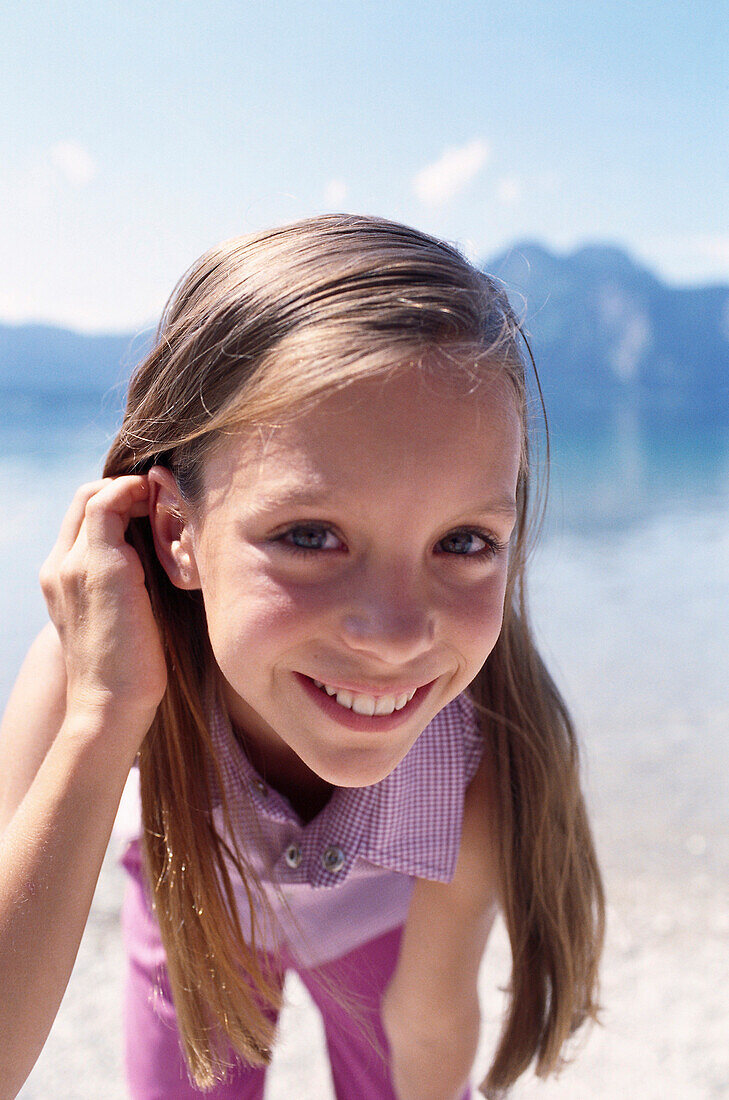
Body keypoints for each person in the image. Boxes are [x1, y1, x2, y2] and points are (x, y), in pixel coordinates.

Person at [0, 213, 604, 1100]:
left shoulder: (482, 756)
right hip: (192, 905)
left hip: (380, 936)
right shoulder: (95, 668)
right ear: (178, 531)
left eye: (464, 542)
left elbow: (430, 1025)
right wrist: (102, 718)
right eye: (310, 535)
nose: (397, 635)